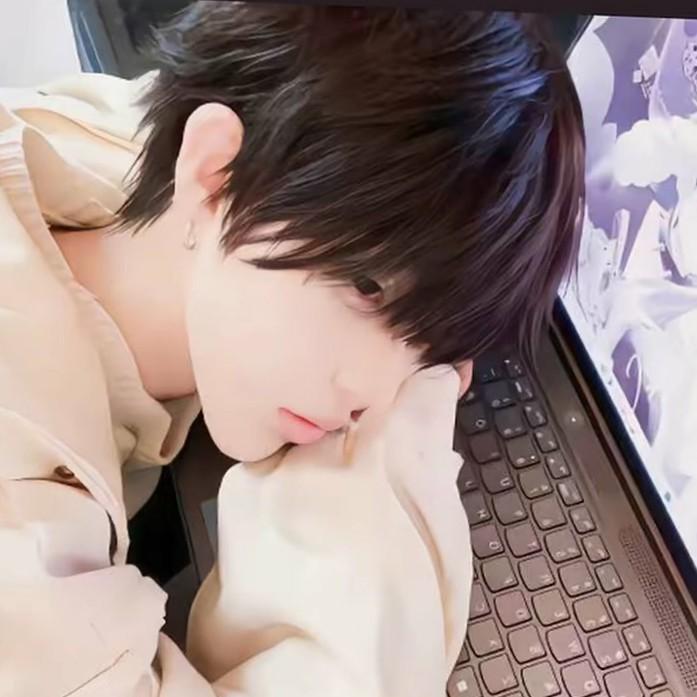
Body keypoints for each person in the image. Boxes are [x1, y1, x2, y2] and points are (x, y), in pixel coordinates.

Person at [0, 3, 584, 696]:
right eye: (367, 287)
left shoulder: (107, 141)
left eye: (431, 350)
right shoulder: (17, 507)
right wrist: (403, 451)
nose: (377, 395)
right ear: (214, 173)